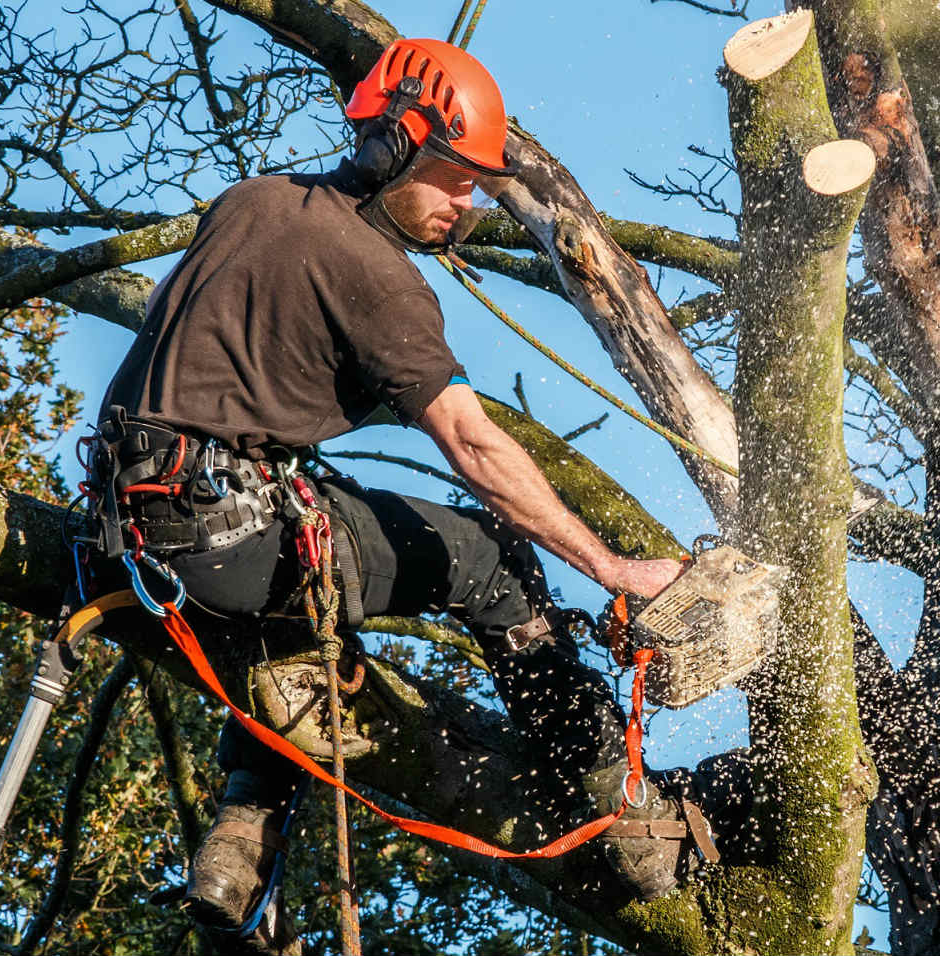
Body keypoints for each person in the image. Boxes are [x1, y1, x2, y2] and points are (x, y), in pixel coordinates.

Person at [87, 38, 720, 951]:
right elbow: (471, 441)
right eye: (453, 180)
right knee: (491, 558)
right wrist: (611, 566)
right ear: (391, 148)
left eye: (475, 187)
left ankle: (239, 835)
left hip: (131, 527)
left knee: (313, 548)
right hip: (224, 535)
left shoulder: (251, 203)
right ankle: (621, 808)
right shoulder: (378, 277)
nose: (464, 206)